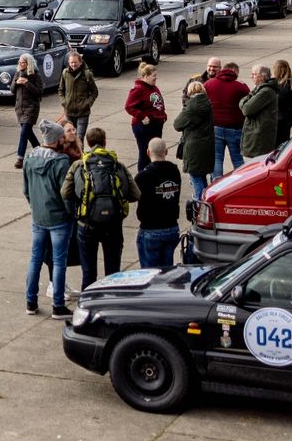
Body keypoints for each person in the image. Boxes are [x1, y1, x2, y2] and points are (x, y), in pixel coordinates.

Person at [65, 127, 138, 288]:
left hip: (87, 224)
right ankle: (111, 299)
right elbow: (135, 194)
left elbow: (65, 192)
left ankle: (89, 300)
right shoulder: (117, 164)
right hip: (113, 223)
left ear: (88, 142)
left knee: (88, 272)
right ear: (105, 142)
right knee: (113, 272)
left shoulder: (79, 165)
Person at [21, 120, 74, 315]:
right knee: (59, 261)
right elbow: (66, 194)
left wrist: (34, 206)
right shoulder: (61, 162)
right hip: (58, 218)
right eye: (62, 137)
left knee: (35, 259)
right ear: (56, 140)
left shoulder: (30, 158)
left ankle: (31, 302)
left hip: (38, 217)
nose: (64, 140)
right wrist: (71, 212)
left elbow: (26, 190)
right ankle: (58, 305)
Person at [134, 138, 182, 269]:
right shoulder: (174, 172)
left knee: (149, 274)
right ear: (166, 152)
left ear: (148, 153)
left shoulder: (143, 176)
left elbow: (132, 195)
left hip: (151, 229)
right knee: (166, 272)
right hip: (171, 227)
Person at [172, 76, 214, 203]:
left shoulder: (191, 107)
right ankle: (206, 201)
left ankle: (201, 204)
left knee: (195, 178)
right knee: (202, 177)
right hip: (207, 144)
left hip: (194, 146)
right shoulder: (208, 104)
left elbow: (177, 124)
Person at [206, 61, 248, 175]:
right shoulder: (241, 87)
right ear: (235, 73)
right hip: (235, 128)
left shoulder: (209, 84)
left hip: (215, 127)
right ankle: (241, 181)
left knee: (217, 159)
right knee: (237, 158)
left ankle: (217, 181)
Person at [124, 61, 167, 170]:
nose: (156, 78)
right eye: (154, 76)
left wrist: (163, 115)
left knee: (156, 152)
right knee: (145, 153)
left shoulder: (154, 87)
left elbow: (158, 103)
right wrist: (142, 116)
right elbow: (128, 106)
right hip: (144, 126)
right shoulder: (138, 89)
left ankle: (153, 174)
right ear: (146, 76)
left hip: (156, 124)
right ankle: (142, 175)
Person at [240, 65, 282, 158]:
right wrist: (245, 101)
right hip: (256, 135)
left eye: (254, 74)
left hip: (259, 138)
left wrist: (244, 102)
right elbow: (245, 101)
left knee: (256, 163)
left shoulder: (266, 91)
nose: (251, 76)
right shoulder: (260, 89)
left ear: (262, 77)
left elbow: (246, 109)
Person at [57, 50, 98, 137]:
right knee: (71, 137)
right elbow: (61, 90)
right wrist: (64, 102)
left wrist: (87, 104)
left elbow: (94, 91)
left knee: (79, 138)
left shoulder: (87, 74)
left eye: (75, 62)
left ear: (80, 62)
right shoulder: (65, 73)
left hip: (83, 113)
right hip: (69, 112)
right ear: (68, 62)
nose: (73, 64)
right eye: (71, 62)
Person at [11, 57, 40, 167]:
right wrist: (16, 83)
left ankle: (20, 158)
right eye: (19, 62)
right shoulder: (18, 73)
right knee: (28, 133)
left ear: (28, 63)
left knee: (24, 133)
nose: (20, 64)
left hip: (31, 108)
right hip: (20, 108)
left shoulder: (35, 76)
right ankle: (39, 150)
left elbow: (39, 92)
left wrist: (27, 83)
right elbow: (12, 90)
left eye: (23, 62)